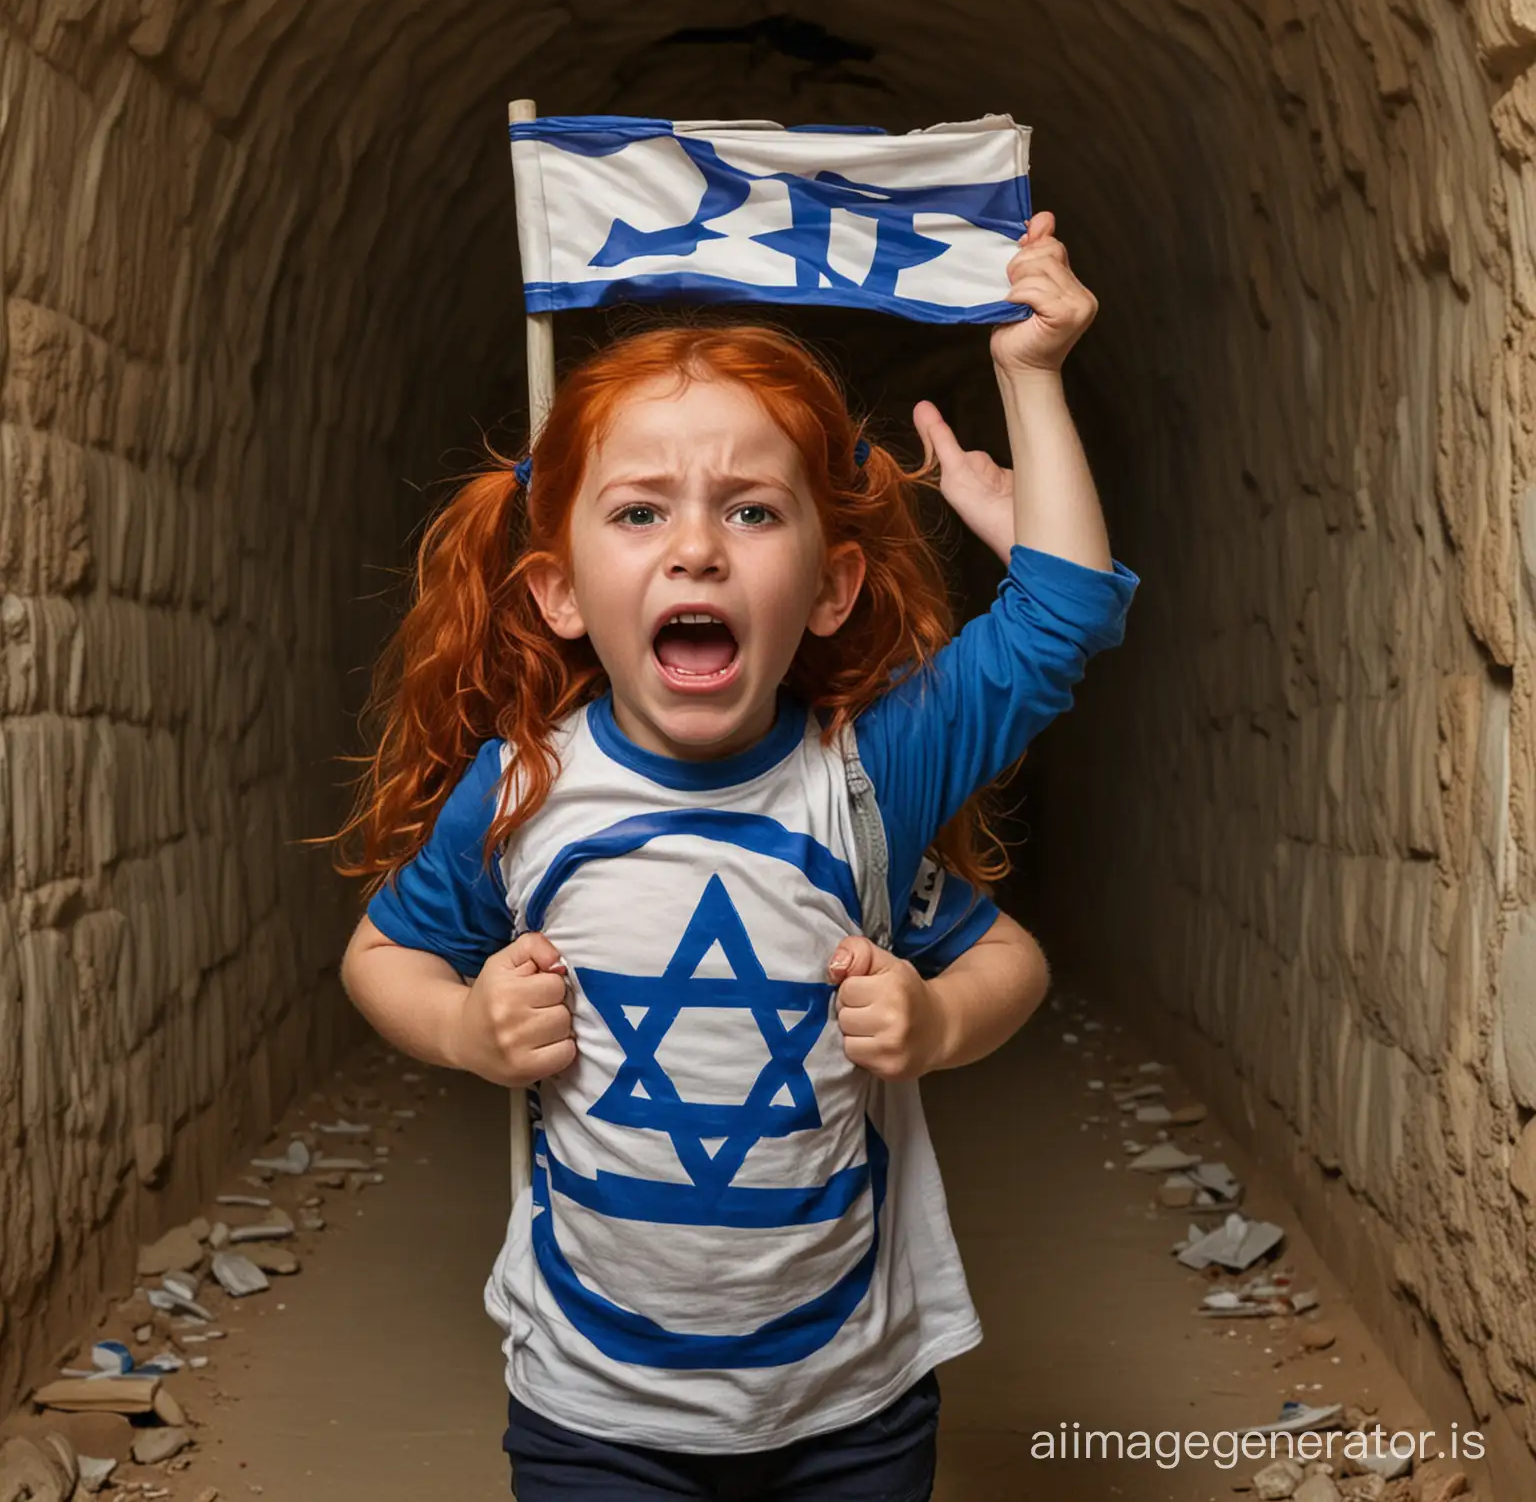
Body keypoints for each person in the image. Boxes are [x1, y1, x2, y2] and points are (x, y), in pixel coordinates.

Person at [336, 212, 1137, 1499]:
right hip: (594, 1404)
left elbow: (1060, 621)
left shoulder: (866, 778)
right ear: (558, 591)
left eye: (753, 511)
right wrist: (465, 1030)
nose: (696, 547)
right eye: (640, 510)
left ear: (829, 590)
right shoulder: (523, 790)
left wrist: (935, 1022)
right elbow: (383, 954)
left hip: (851, 1400)